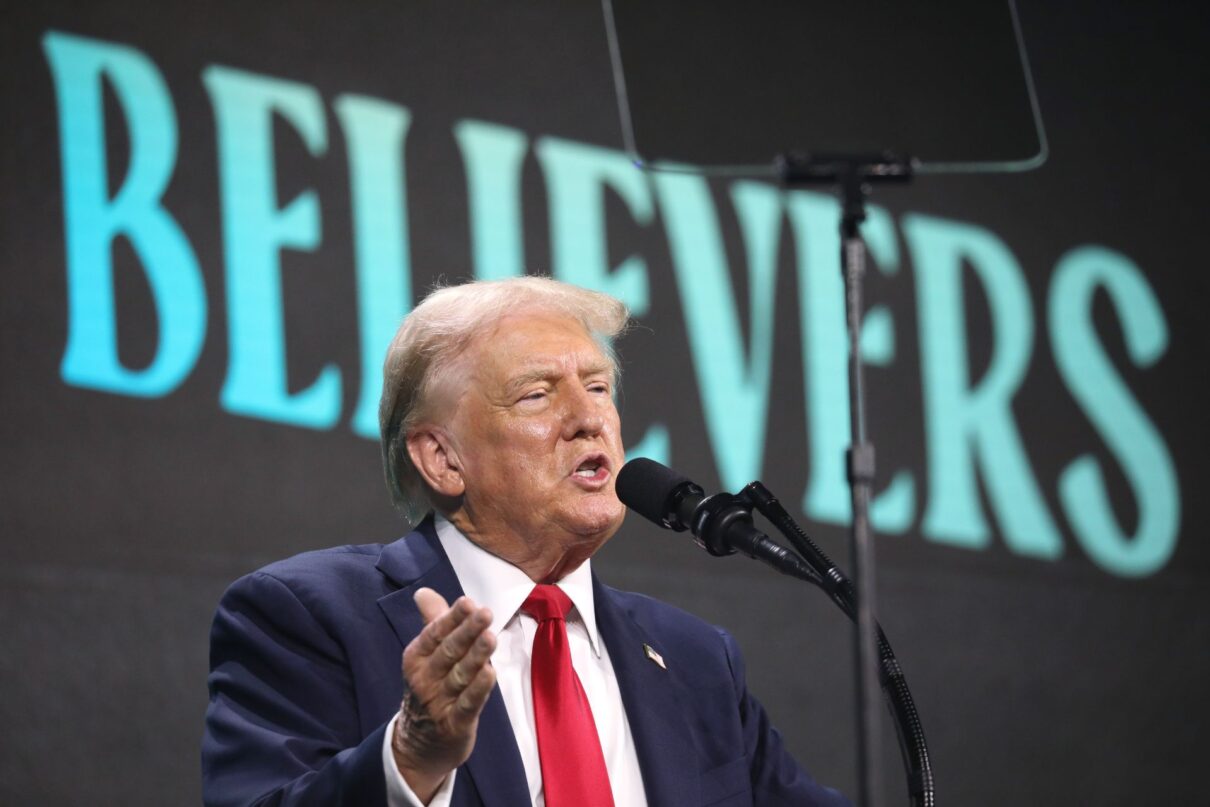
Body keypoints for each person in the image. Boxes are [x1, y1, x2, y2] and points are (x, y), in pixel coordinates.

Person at [202, 277, 849, 806]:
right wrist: (410, 759)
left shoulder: (696, 658)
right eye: (537, 394)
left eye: (598, 386)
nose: (588, 417)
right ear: (441, 458)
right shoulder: (308, 616)